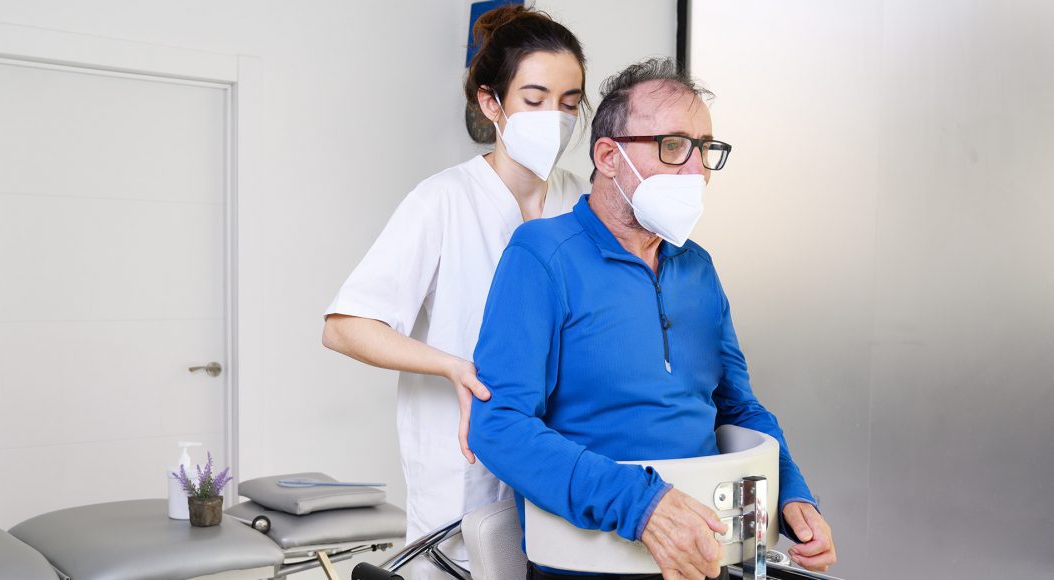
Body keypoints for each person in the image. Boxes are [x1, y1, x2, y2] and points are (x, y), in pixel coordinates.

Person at [470, 58, 837, 580]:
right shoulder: (543, 256)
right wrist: (643, 505)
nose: (696, 171)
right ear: (609, 157)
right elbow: (499, 426)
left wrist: (793, 494)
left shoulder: (698, 268)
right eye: (673, 146)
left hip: (709, 556)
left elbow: (739, 408)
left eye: (704, 149)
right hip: (590, 562)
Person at [321, 4, 589, 569]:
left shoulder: (582, 202)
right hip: (462, 467)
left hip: (560, 457)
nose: (555, 119)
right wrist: (452, 367)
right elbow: (346, 327)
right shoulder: (443, 200)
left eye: (569, 104)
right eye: (535, 100)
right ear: (491, 103)